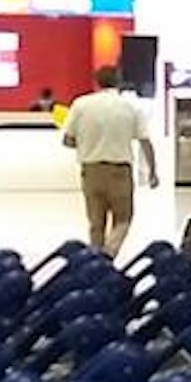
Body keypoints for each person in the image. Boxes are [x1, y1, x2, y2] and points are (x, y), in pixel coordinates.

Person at [63, 66, 155, 254]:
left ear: (96, 82)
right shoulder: (131, 106)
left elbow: (68, 140)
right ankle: (109, 253)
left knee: (96, 223)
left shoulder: (81, 104)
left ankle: (96, 259)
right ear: (119, 81)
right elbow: (145, 139)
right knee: (123, 219)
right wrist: (153, 171)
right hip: (119, 171)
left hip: (91, 170)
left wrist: (88, 144)